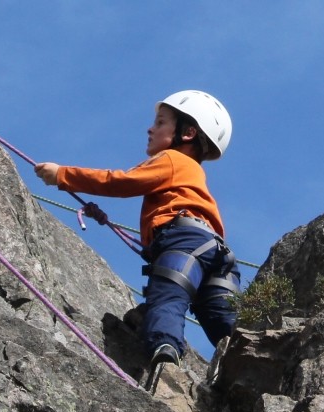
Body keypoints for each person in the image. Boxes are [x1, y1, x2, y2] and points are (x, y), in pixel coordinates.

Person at [34, 90, 241, 383]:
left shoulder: (171, 159)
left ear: (188, 132)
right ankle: (248, 373)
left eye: (160, 122)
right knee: (224, 322)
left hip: (184, 243)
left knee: (168, 297)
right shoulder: (193, 175)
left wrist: (63, 175)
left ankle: (166, 356)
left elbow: (122, 182)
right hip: (216, 253)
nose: (150, 128)